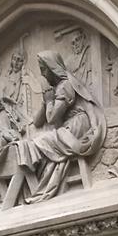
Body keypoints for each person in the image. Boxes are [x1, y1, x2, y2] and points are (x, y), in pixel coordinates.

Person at [16, 51, 105, 203]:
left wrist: (49, 100)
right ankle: (37, 178)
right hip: (67, 128)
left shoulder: (65, 86)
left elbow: (52, 118)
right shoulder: (56, 89)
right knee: (34, 142)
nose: (43, 75)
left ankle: (37, 182)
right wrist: (45, 101)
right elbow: (38, 122)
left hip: (76, 127)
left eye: (44, 70)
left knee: (37, 142)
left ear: (52, 68)